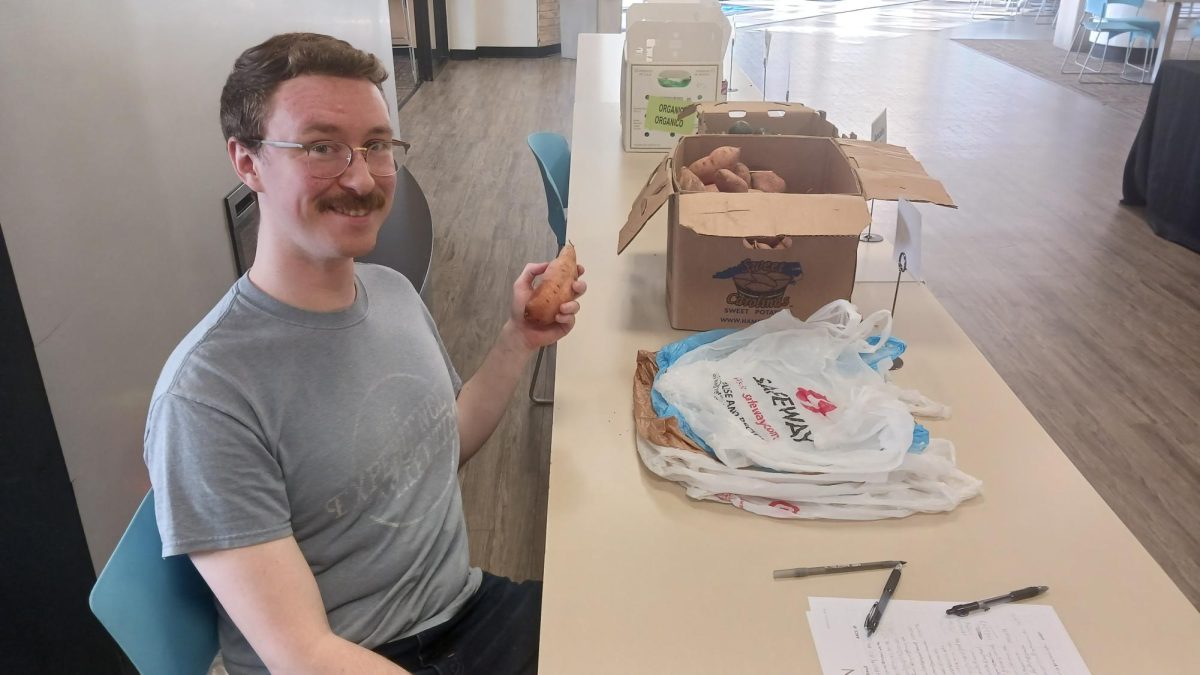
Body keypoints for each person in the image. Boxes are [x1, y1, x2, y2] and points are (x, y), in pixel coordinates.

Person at [143, 32, 584, 675]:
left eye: (376, 145)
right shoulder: (208, 397)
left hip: (464, 610)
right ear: (247, 163)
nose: (360, 176)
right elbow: (302, 655)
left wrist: (519, 338)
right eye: (321, 147)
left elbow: (441, 447)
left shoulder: (390, 291)